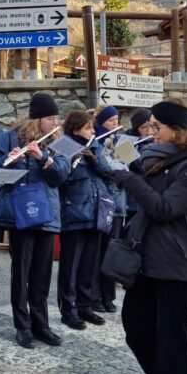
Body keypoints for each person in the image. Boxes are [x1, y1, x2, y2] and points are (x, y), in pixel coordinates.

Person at [113, 98, 187, 374]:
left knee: (173, 340)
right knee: (135, 329)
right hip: (145, 260)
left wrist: (127, 179)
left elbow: (165, 208)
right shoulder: (154, 160)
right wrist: (108, 163)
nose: (150, 132)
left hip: (178, 263)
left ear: (176, 131)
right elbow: (140, 179)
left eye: (156, 127)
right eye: (149, 127)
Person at [0, 92, 69, 349]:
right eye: (51, 118)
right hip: (20, 213)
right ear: (38, 119)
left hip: (47, 213)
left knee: (43, 273)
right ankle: (23, 326)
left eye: (57, 118)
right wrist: (11, 160)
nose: (56, 123)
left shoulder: (57, 142)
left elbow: (63, 174)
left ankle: (41, 324)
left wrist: (44, 159)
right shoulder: (10, 137)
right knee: (21, 272)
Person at [57, 110, 115, 330]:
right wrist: (75, 160)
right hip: (73, 211)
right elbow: (62, 179)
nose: (93, 130)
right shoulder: (64, 144)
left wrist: (94, 159)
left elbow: (108, 172)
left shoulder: (95, 145)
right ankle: (68, 310)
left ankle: (85, 305)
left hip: (95, 211)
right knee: (70, 265)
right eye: (89, 127)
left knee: (89, 264)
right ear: (75, 128)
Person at [92, 104, 124, 313]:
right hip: (101, 202)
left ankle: (108, 294)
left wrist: (120, 154)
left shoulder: (120, 141)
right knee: (97, 252)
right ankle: (94, 295)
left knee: (111, 251)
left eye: (116, 120)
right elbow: (103, 169)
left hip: (118, 203)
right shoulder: (95, 141)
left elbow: (133, 166)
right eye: (111, 121)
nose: (115, 124)